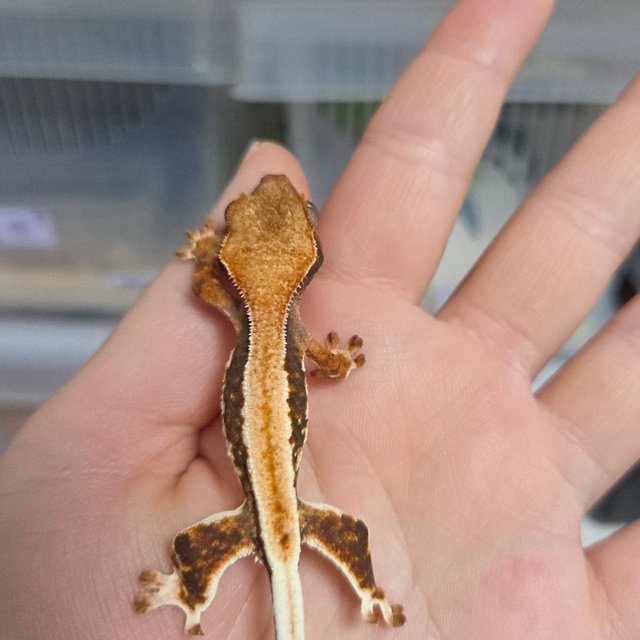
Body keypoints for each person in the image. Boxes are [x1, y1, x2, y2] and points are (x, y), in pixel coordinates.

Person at [2, 0, 639, 637]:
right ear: (309, 265)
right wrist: (342, 360)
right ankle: (367, 594)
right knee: (341, 535)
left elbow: (202, 286)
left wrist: (204, 251)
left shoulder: (233, 306)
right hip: (283, 512)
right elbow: (330, 366)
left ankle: (191, 594)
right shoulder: (297, 336)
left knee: (206, 549)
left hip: (261, 513)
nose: (279, 199)